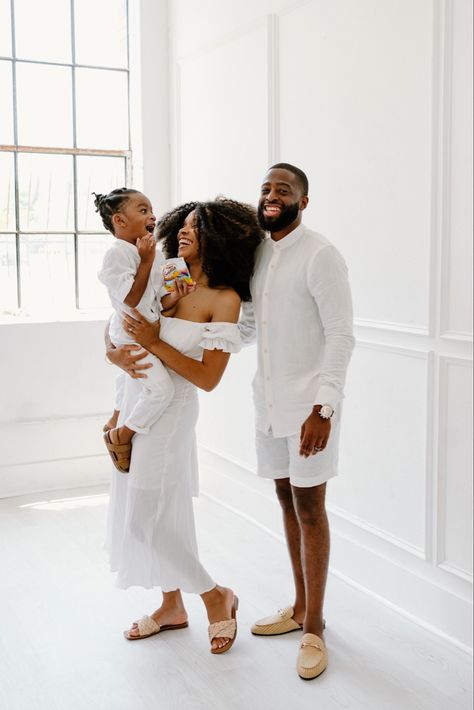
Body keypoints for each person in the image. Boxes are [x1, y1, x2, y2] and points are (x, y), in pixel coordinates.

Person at [105, 197, 264, 653]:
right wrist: (112, 352)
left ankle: (216, 596)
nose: (183, 232)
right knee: (163, 512)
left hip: (171, 413)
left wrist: (154, 342)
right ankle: (171, 605)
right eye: (184, 225)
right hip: (135, 400)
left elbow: (208, 379)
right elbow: (122, 315)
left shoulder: (225, 299)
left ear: (220, 238)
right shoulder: (169, 275)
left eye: (196, 227)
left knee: (143, 519)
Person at [241, 163, 354, 680]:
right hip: (268, 404)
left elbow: (341, 335)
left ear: (302, 202)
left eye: (282, 190)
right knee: (286, 500)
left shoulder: (321, 255)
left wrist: (324, 408)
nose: (271, 195)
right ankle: (299, 606)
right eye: (265, 188)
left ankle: (316, 628)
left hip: (310, 412)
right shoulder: (260, 253)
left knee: (311, 508)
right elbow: (247, 328)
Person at [95, 188, 192, 472]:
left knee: (129, 380)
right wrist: (147, 260)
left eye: (151, 210)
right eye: (143, 210)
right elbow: (131, 299)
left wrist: (178, 294)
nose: (152, 215)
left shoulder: (158, 254)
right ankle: (121, 435)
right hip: (130, 334)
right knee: (161, 390)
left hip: (148, 331)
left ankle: (115, 416)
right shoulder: (118, 254)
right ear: (119, 221)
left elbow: (162, 298)